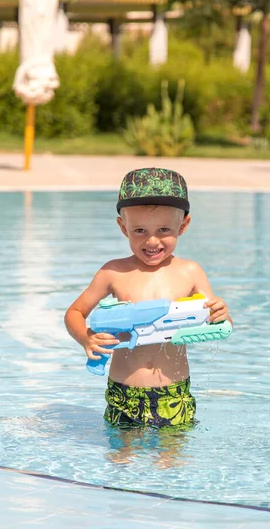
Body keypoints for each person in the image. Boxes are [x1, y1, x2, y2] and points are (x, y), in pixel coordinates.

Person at [65, 167, 232, 429]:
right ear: (123, 227)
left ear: (183, 225)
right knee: (122, 461)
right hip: (124, 392)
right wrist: (85, 338)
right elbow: (75, 312)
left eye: (164, 229)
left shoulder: (190, 272)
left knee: (170, 464)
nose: (152, 241)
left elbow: (217, 322)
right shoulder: (114, 272)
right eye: (140, 230)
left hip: (173, 393)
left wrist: (221, 314)